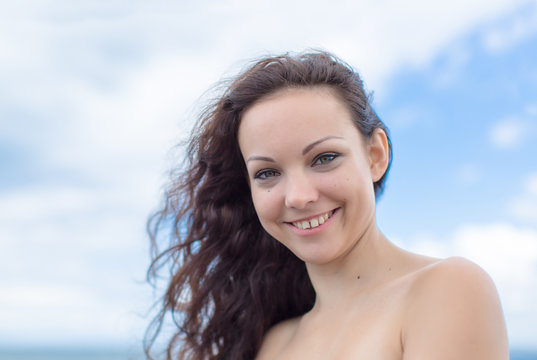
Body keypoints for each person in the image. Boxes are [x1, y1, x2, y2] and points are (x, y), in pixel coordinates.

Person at [145, 50, 509, 360]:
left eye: (324, 158)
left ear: (375, 155)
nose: (299, 196)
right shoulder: (273, 343)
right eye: (268, 173)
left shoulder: (447, 289)